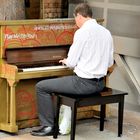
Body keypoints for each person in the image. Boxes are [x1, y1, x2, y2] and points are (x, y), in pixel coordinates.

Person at [31, 3, 114, 136]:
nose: (76, 23)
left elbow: (71, 62)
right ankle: (53, 123)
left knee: (41, 86)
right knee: (55, 84)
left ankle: (48, 126)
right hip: (99, 84)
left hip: (82, 84)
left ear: (80, 16)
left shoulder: (82, 33)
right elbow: (109, 62)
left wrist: (66, 61)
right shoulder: (106, 32)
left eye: (75, 19)